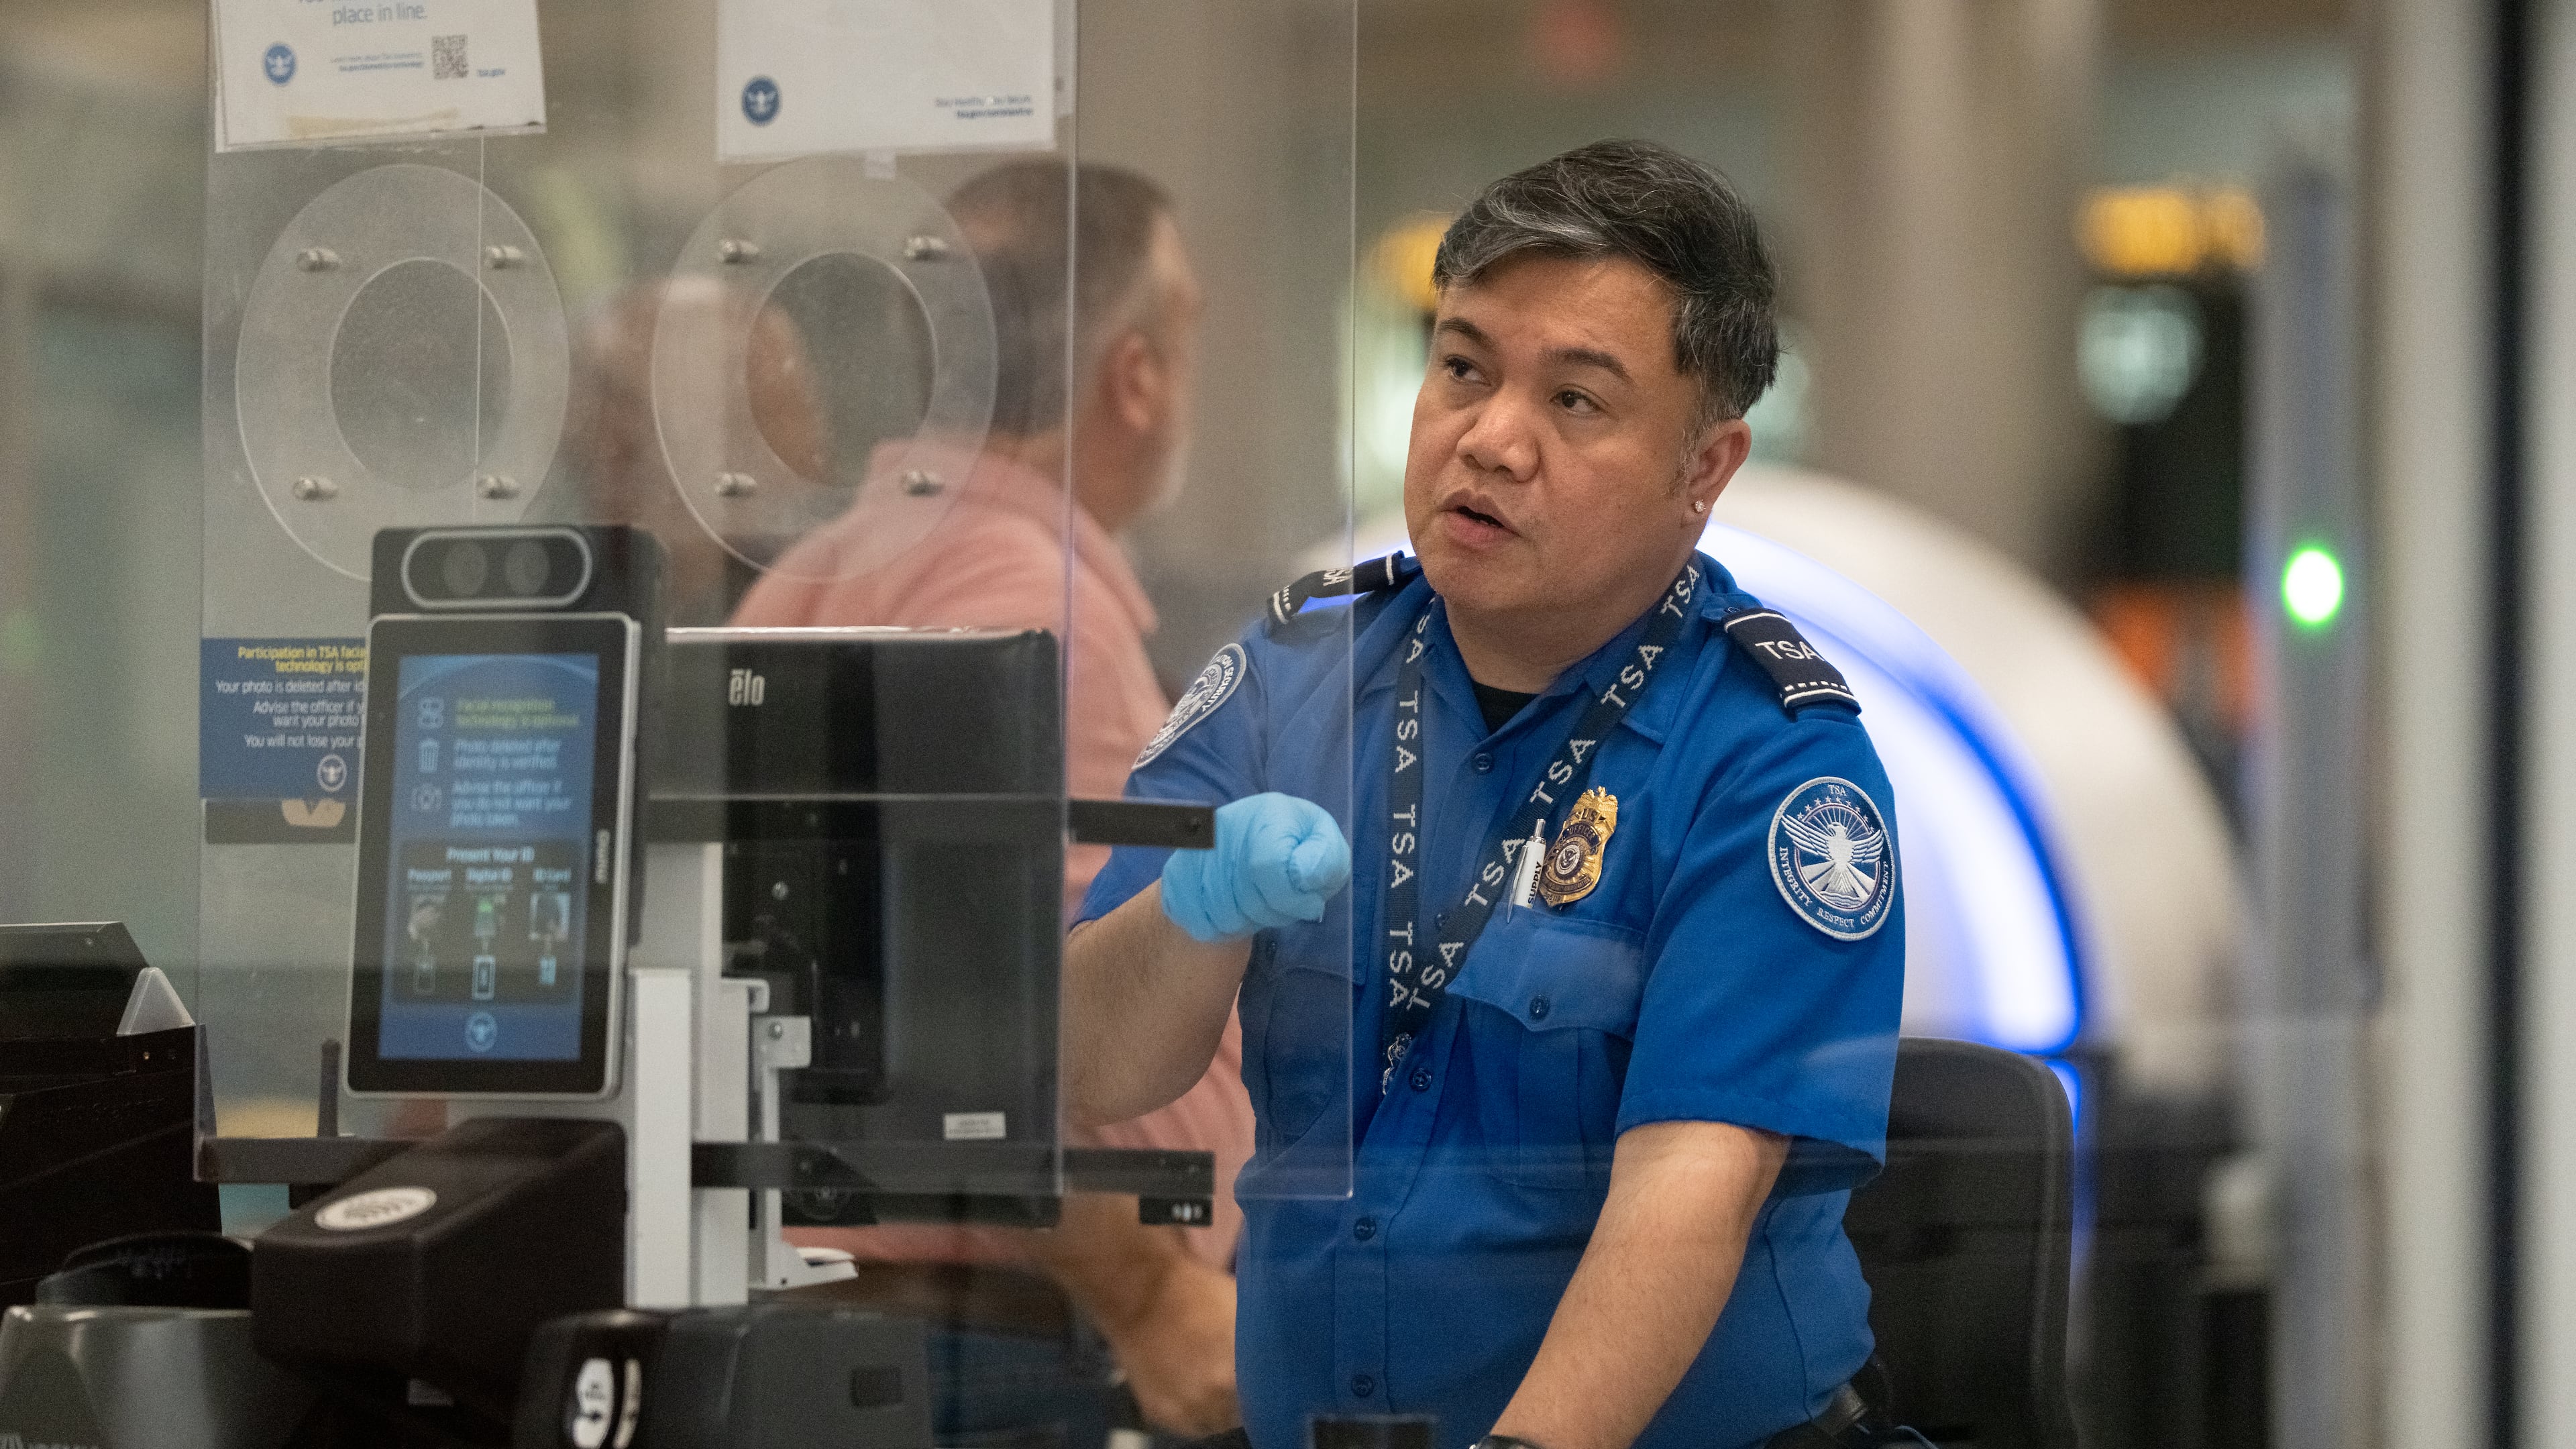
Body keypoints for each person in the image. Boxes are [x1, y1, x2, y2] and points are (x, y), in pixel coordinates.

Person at [1063, 141, 1907, 1449]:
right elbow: (1098, 1066)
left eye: (1575, 402)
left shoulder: (1771, 763)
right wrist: (1198, 902)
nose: (1490, 439)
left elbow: (1688, 1193)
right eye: (1462, 368)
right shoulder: (1295, 676)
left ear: (1706, 468)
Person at [731, 160, 1252, 1444]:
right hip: (993, 1350)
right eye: (1185, 337)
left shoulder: (820, 572)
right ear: (1137, 376)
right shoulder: (1029, 601)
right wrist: (1148, 1301)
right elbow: (1017, 1028)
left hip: (867, 1318)